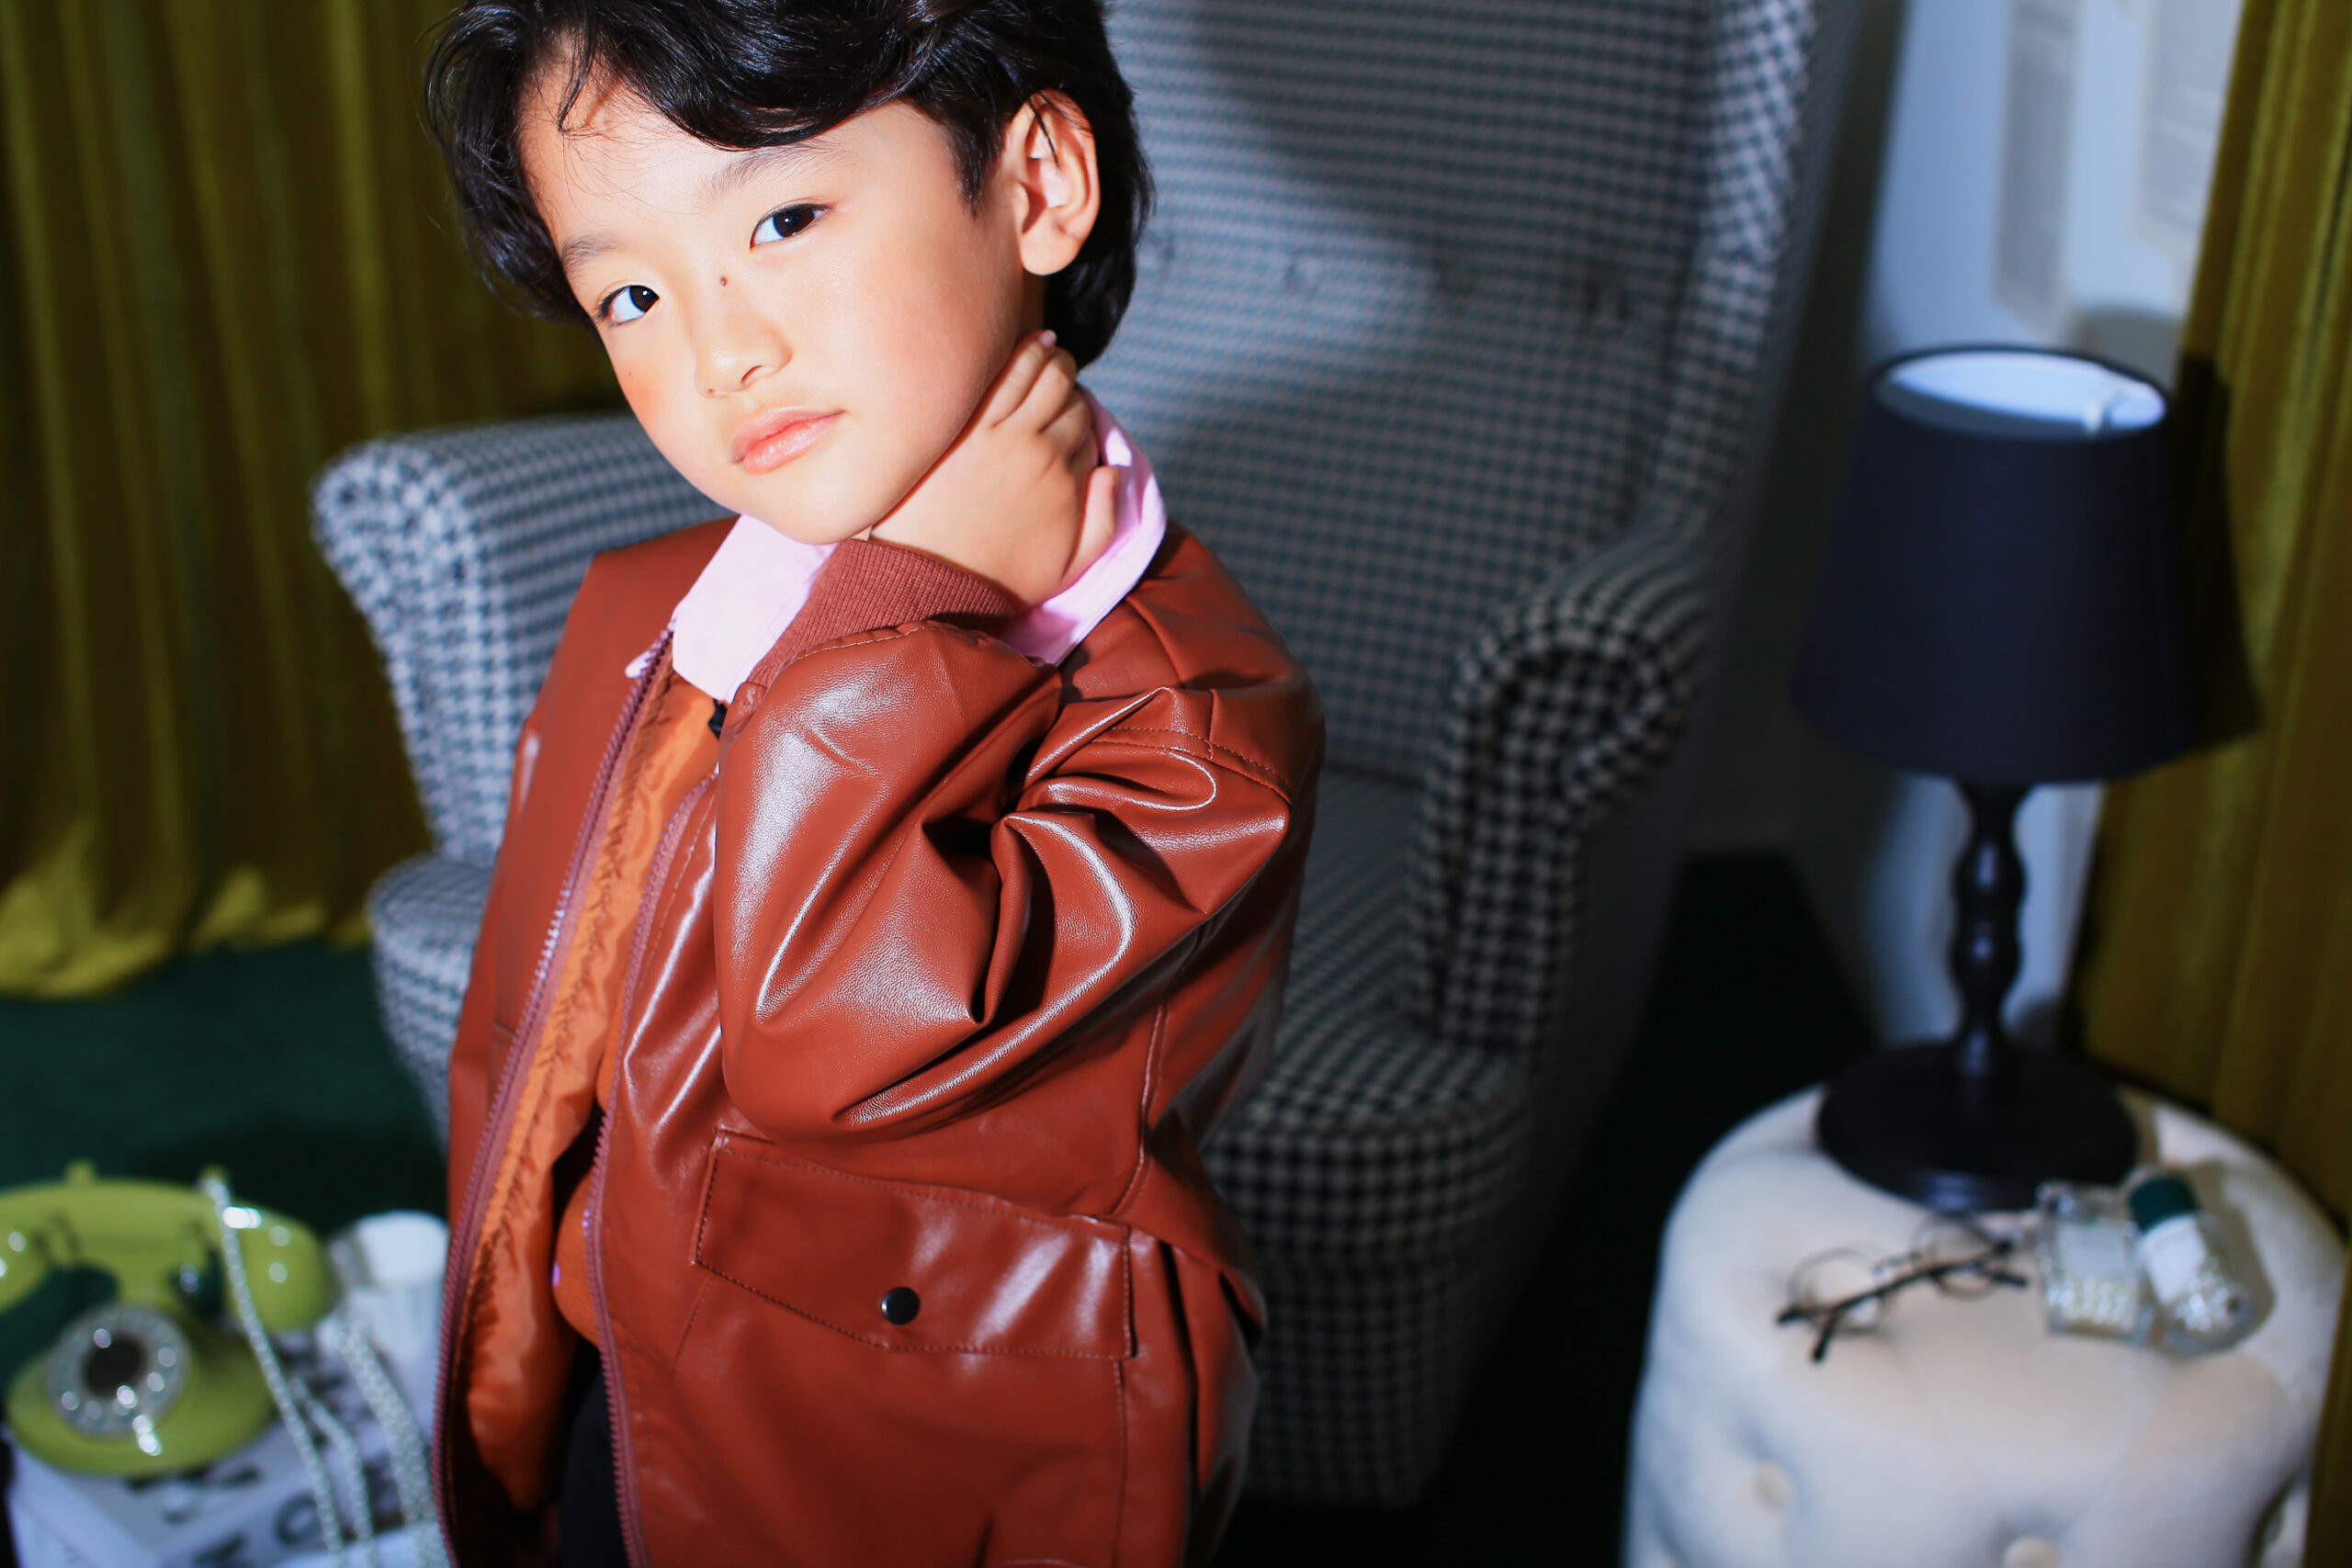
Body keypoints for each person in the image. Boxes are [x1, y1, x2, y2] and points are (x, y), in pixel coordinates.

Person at [419, 3, 1322, 1564]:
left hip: (895, 1484)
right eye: (632, 292)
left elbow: (832, 1044)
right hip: (624, 1394)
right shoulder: (658, 607)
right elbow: (541, 1046)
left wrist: (913, 606)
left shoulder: (1194, 735)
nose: (720, 351)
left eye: (783, 220)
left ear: (1037, 185)